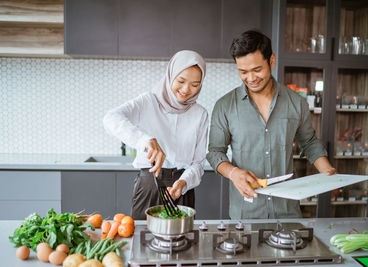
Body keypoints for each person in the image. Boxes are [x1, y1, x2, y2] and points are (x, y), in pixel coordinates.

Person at [206, 30, 336, 219]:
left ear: (271, 60)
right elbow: (215, 152)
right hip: (246, 212)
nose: (251, 78)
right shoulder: (225, 106)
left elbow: (309, 142)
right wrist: (234, 173)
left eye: (257, 69)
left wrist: (328, 171)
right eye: (243, 72)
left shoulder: (296, 103)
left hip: (287, 211)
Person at [103, 50, 209, 220]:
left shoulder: (200, 114)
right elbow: (110, 118)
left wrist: (184, 183)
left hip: (182, 188)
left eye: (195, 84)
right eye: (180, 81)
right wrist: (145, 140)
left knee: (183, 243)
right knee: (142, 240)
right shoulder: (147, 102)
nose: (186, 89)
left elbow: (198, 163)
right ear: (170, 75)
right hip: (149, 186)